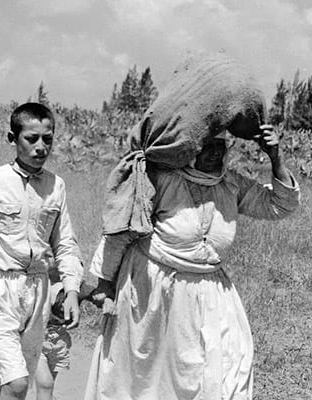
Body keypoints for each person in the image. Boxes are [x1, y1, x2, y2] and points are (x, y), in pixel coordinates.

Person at [85, 133, 299, 399]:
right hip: (153, 293)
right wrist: (104, 283)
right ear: (189, 148)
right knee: (146, 380)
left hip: (210, 292)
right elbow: (122, 228)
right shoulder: (161, 178)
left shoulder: (230, 183)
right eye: (205, 145)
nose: (214, 152)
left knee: (226, 370)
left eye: (219, 145)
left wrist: (275, 157)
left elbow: (281, 205)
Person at [0, 103, 84, 400]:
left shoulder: (56, 186)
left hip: (36, 290)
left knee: (10, 379)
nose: (41, 147)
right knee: (19, 383)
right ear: (13, 138)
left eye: (47, 139)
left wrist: (72, 290)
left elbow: (65, 243)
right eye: (31, 138)